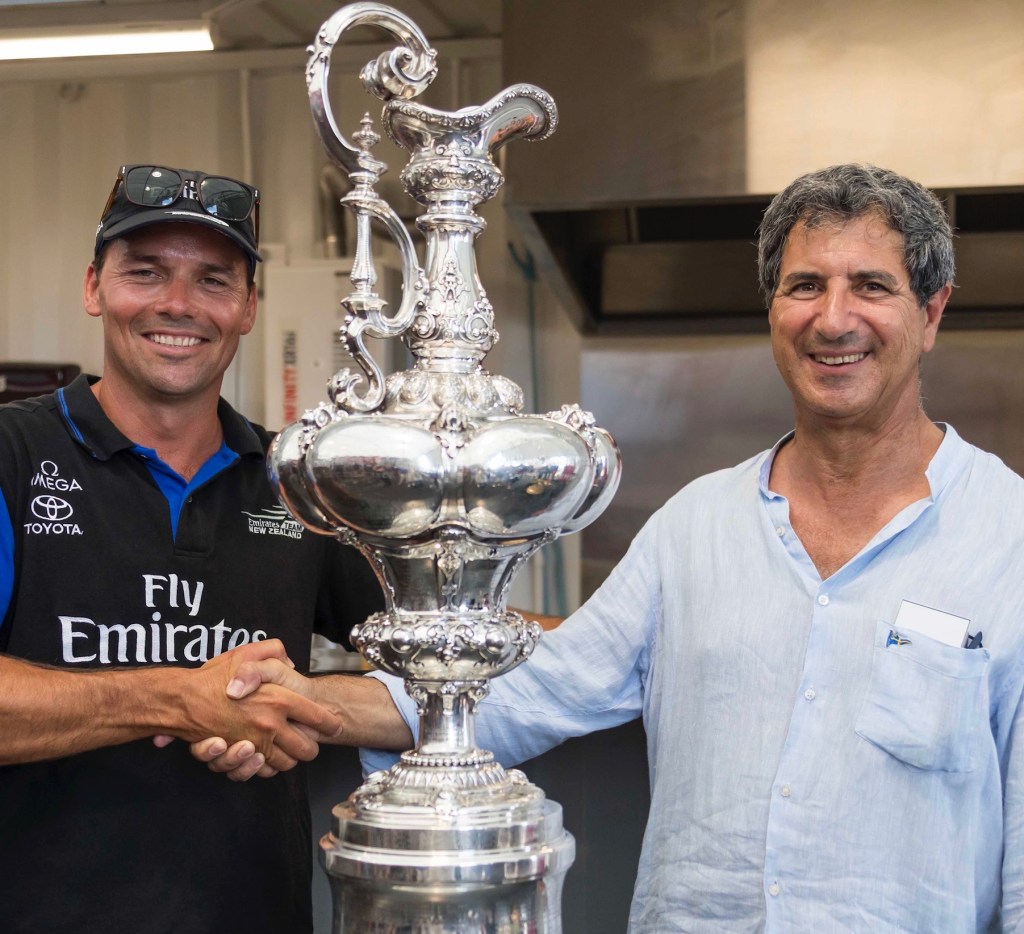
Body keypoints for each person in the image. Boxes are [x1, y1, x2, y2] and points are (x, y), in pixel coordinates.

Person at [219, 162, 1024, 931]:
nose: (834, 318)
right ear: (773, 308)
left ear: (932, 312)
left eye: (872, 286)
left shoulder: (1007, 538)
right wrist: (296, 699)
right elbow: (531, 691)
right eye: (805, 285)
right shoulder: (697, 526)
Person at [0, 164, 388, 934]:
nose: (178, 303)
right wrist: (180, 699)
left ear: (248, 307)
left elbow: (435, 642)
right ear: (94, 287)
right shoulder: (13, 456)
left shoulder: (298, 482)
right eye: (145, 272)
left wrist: (615, 634)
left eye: (213, 280)